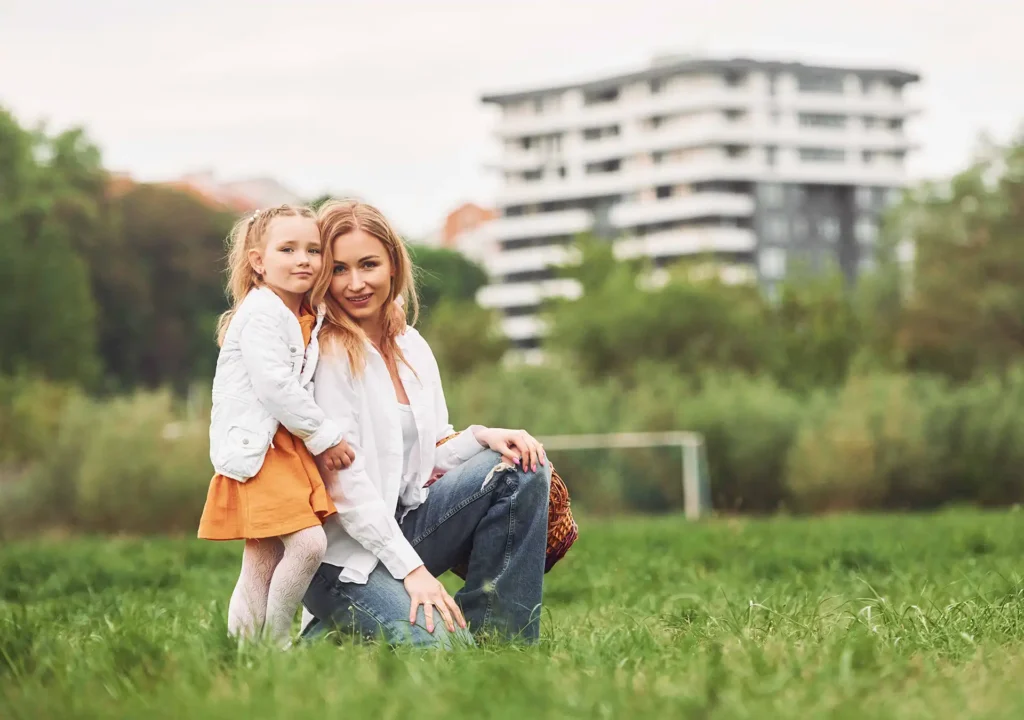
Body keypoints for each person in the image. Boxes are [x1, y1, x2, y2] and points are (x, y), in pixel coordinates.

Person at [301, 199, 552, 648]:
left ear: (393, 265)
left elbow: (425, 455)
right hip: (342, 558)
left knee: (521, 464)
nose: (355, 283)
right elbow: (346, 488)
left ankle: (504, 646)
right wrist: (415, 573)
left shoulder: (411, 346)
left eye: (368, 264)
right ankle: (321, 636)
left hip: (403, 526)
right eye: (339, 269)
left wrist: (482, 438)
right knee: (446, 654)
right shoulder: (330, 353)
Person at [198, 204, 356, 647]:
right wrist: (325, 436)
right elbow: (276, 388)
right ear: (258, 262)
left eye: (313, 249)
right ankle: (278, 641)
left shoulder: (306, 309)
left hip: (284, 447)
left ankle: (241, 650)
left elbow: (351, 309)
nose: (303, 259)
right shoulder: (262, 313)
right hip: (262, 449)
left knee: (262, 556)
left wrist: (395, 310)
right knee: (308, 545)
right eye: (287, 249)